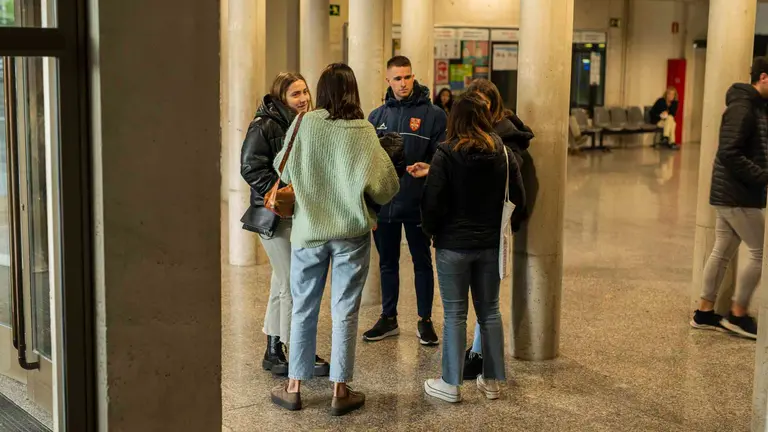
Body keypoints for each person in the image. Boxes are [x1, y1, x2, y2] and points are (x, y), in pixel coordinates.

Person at [269, 63, 400, 416]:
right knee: (345, 310)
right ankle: (339, 390)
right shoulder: (364, 130)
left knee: (303, 307)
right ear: (352, 91)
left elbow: (283, 167)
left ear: (322, 91)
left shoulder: (304, 123)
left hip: (309, 232)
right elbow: (386, 188)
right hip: (351, 234)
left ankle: (294, 387)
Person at [421, 93, 525, 403]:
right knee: (489, 312)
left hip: (452, 246)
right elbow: (519, 199)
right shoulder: (505, 155)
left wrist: (431, 232)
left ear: (454, 120)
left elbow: (432, 202)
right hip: (490, 246)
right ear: (485, 118)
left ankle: (450, 385)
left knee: (454, 314)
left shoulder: (445, 154)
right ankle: (491, 381)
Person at [239, 72, 329, 377]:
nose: (303, 98)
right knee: (295, 284)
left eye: (305, 92)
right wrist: (277, 194)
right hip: (275, 218)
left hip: (296, 216)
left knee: (282, 284)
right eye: (295, 94)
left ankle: (274, 349)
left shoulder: (304, 122)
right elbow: (250, 166)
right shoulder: (265, 124)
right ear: (281, 98)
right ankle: (298, 350)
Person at [363, 55, 448, 346]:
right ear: (388, 80)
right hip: (385, 205)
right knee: (387, 263)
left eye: (407, 77)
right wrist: (369, 207)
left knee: (422, 262)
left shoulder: (434, 114)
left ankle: (425, 320)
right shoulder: (375, 117)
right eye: (397, 78)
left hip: (417, 204)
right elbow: (367, 162)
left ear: (414, 77)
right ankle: (389, 318)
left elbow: (444, 157)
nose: (403, 83)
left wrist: (427, 170)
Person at [462, 79, 536, 379]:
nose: (479, 110)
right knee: (481, 296)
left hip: (493, 227)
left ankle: (482, 355)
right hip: (477, 227)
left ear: (493, 105)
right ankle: (479, 350)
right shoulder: (484, 135)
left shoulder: (505, 140)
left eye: (484, 104)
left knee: (486, 298)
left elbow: (511, 188)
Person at [690, 56, 768, 340]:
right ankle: (738, 314)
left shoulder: (755, 107)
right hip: (737, 194)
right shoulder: (743, 107)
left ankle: (704, 313)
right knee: (762, 253)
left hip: (732, 193)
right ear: (763, 77)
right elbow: (729, 152)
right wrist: (762, 176)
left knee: (721, 252)